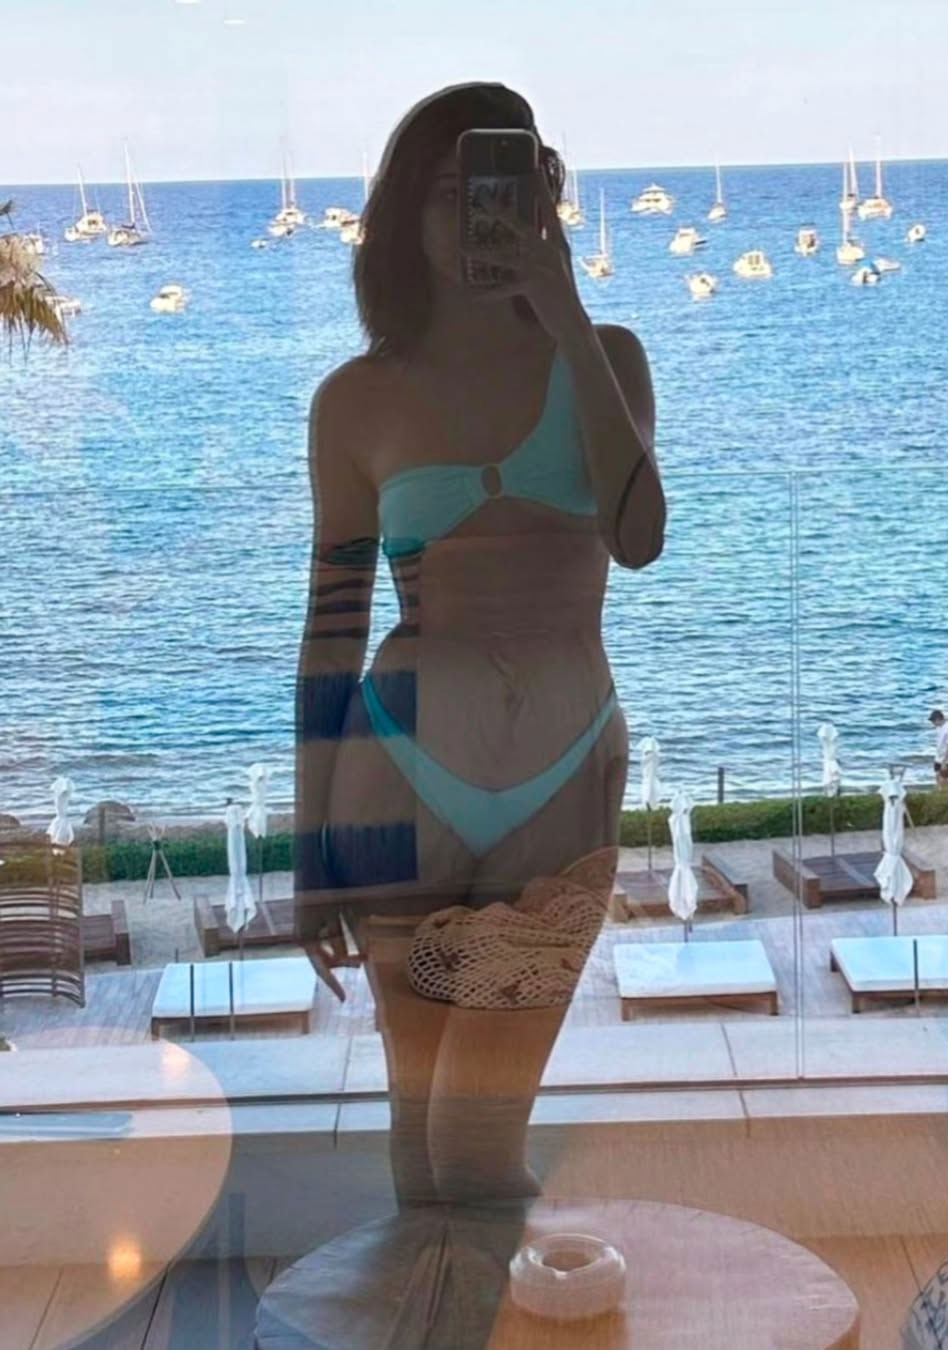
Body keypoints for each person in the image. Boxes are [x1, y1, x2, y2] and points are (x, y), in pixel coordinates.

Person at [292, 82, 664, 1211]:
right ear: (404, 214)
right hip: (396, 773)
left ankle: (490, 1297)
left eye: (507, 182)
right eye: (449, 190)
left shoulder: (608, 359)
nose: (477, 214)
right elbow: (333, 622)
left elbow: (639, 538)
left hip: (565, 771)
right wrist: (309, 848)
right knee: (419, 1138)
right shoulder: (356, 400)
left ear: (545, 198)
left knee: (483, 1145)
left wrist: (566, 317)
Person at [930, 708, 948, 787]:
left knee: (943, 780)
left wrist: (944, 761)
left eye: (933, 721)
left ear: (938, 719)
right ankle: (941, 792)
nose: (933, 723)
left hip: (947, 759)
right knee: (937, 778)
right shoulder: (939, 728)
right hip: (938, 757)